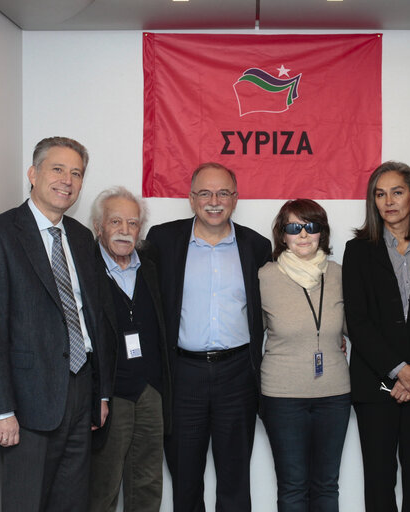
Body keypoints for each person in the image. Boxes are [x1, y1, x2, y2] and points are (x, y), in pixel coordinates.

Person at [0, 136, 112, 512]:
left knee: (72, 502)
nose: (68, 180)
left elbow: (93, 319)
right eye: (58, 169)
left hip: (81, 391)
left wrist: (100, 393)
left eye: (77, 173)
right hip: (28, 399)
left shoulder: (82, 238)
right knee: (26, 502)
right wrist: (1, 410)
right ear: (33, 174)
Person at [146, 163, 271, 512]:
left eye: (223, 193)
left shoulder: (256, 246)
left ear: (235, 198)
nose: (214, 201)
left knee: (235, 480)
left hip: (237, 376)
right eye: (205, 193)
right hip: (183, 375)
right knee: (185, 478)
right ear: (191, 198)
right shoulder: (163, 240)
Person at [342, 161, 410, 512]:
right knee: (379, 484)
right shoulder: (358, 250)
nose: (388, 201)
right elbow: (357, 322)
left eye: (397, 192)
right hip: (374, 385)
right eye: (380, 194)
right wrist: (397, 370)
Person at [259, 199, 350, 512]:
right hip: (282, 397)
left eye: (310, 227)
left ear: (321, 233)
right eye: (293, 227)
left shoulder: (341, 274)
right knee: (293, 487)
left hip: (335, 395)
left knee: (326, 486)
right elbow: (250, 334)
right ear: (282, 235)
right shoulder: (264, 277)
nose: (302, 234)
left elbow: (358, 328)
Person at [88, 186, 171, 512]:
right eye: (115, 222)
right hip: (110, 393)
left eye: (133, 223)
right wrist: (97, 393)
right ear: (98, 227)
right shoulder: (84, 268)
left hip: (151, 391)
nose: (124, 231)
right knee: (103, 485)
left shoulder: (152, 264)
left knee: (148, 483)